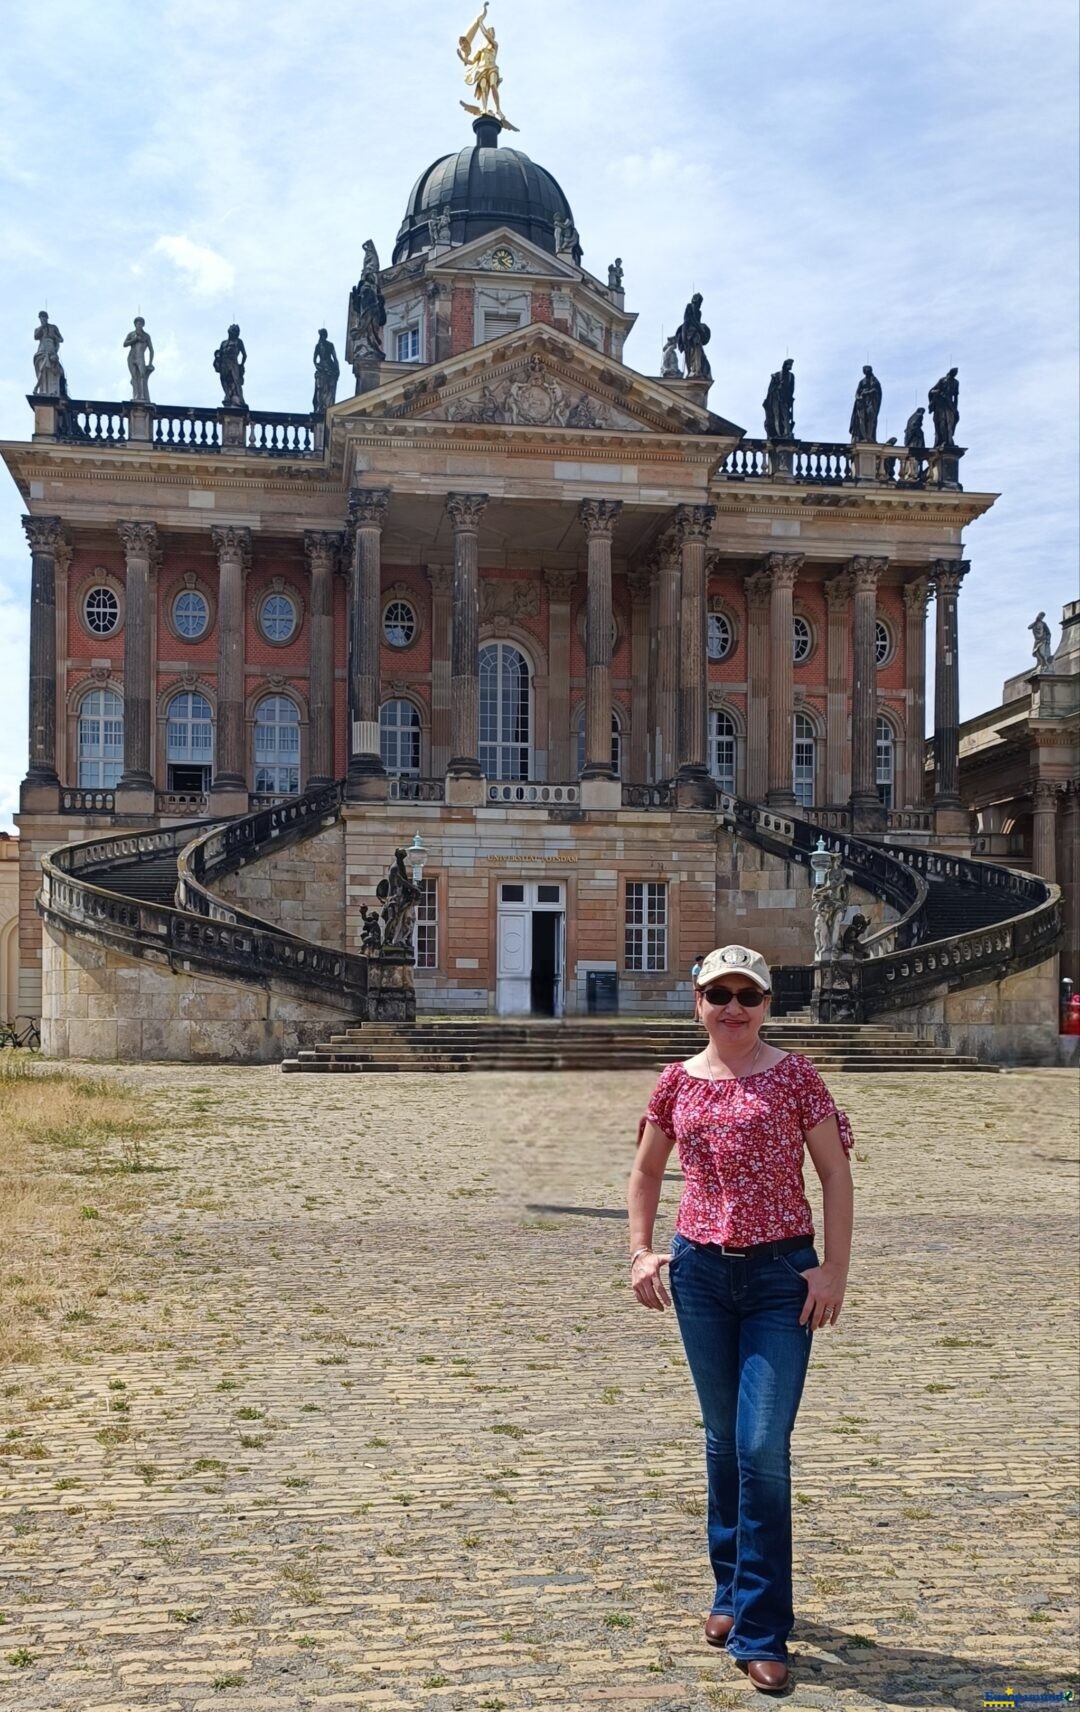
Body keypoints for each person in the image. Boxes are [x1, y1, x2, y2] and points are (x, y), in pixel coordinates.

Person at [627, 943, 854, 1694]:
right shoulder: (676, 1084)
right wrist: (640, 1250)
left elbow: (833, 1174)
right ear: (696, 1002)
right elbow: (647, 1171)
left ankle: (761, 1627)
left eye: (747, 995)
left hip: (778, 1277)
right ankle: (729, 1590)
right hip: (699, 1273)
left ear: (767, 1004)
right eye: (718, 994)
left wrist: (832, 1269)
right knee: (723, 1442)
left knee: (762, 1446)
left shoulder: (795, 1077)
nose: (733, 1008)